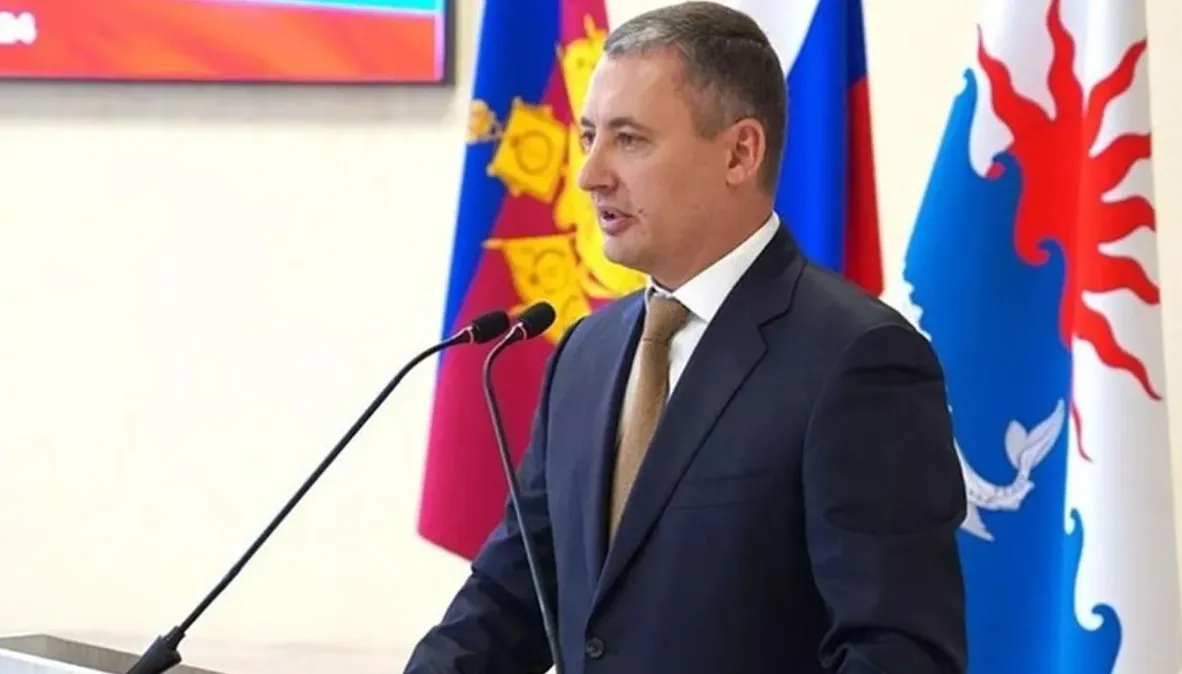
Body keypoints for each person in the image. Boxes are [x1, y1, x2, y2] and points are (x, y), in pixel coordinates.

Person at [404, 2, 968, 672]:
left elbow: (897, 650)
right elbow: (506, 603)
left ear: (739, 152)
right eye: (590, 136)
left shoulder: (858, 359)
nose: (590, 174)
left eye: (630, 140)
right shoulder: (583, 355)